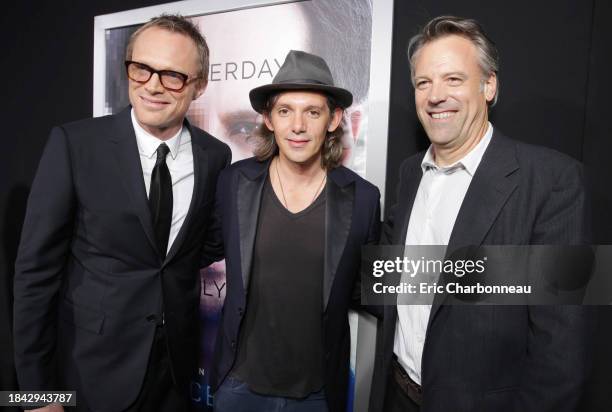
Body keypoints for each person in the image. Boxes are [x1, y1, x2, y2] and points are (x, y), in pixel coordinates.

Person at [369, 16, 592, 412]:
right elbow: (399, 284)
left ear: (489, 85)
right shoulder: (408, 173)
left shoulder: (552, 181)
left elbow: (562, 353)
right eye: (424, 83)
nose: (436, 95)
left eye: (453, 79)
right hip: (396, 395)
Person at [13, 14, 231, 412]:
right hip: (88, 370)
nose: (152, 85)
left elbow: (194, 250)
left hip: (176, 374)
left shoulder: (216, 155)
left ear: (198, 85)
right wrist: (36, 396)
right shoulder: (74, 145)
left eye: (172, 75)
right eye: (142, 68)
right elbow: (34, 274)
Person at [209, 50, 380, 412]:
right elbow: (194, 253)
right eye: (285, 111)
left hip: (317, 393)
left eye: (312, 112)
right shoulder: (233, 183)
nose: (298, 126)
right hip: (238, 388)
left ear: (333, 119)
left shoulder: (363, 198)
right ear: (269, 119)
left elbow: (371, 289)